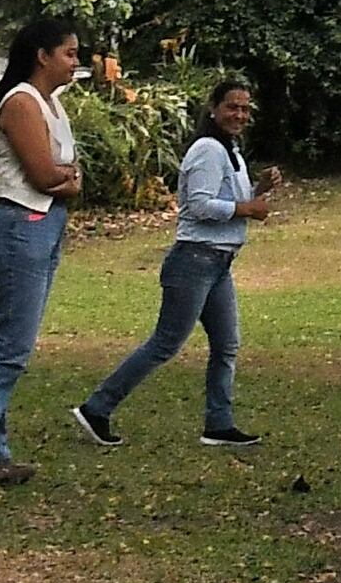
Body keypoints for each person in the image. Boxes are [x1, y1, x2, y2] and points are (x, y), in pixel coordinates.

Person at [70, 76, 277, 449]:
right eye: (232, 106)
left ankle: (219, 423)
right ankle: (97, 407)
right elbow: (198, 206)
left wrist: (257, 191)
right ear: (213, 109)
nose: (240, 114)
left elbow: (228, 199)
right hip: (194, 261)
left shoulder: (230, 150)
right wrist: (247, 208)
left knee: (227, 345)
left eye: (245, 108)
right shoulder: (207, 149)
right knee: (166, 343)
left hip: (218, 263)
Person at [0, 17, 83, 482]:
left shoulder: (52, 105)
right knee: (11, 347)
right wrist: (66, 179)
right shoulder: (22, 102)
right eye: (68, 53)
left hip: (43, 225)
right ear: (42, 55)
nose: (75, 62)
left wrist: (66, 179)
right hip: (19, 225)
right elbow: (48, 175)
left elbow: (66, 173)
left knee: (12, 344)